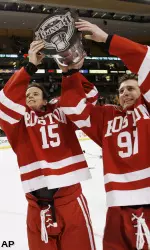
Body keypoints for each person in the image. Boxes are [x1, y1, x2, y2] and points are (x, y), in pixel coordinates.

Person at [59, 19, 150, 250]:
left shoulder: (147, 109)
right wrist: (70, 73)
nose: (125, 93)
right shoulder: (107, 117)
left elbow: (146, 61)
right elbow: (75, 110)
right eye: (121, 91)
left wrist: (107, 40)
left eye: (131, 88)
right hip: (117, 208)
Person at [0, 40, 98, 250]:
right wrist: (29, 67)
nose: (29, 96)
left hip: (69, 199)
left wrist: (70, 72)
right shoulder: (17, 122)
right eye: (26, 95)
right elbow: (5, 103)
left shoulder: (62, 109)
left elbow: (90, 99)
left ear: (46, 100)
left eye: (34, 93)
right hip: (38, 206)